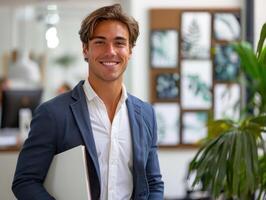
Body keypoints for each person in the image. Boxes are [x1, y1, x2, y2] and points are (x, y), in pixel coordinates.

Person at [12, 4, 164, 200]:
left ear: (130, 50)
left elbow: (153, 183)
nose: (111, 51)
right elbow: (25, 182)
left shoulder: (146, 114)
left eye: (119, 43)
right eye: (100, 42)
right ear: (85, 49)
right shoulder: (52, 114)